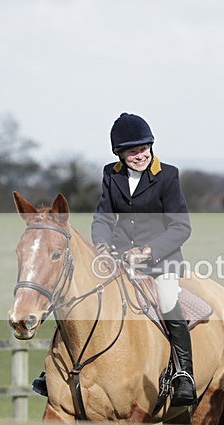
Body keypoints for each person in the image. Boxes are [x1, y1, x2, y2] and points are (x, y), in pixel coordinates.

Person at [34, 112, 196, 406]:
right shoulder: (112, 174)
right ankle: (55, 373)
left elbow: (181, 227)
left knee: (168, 299)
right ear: (119, 153)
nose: (140, 156)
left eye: (144, 148)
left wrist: (147, 251)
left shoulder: (168, 175)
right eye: (133, 151)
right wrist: (103, 246)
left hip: (161, 261)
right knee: (80, 298)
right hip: (119, 259)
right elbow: (103, 218)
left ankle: (183, 374)